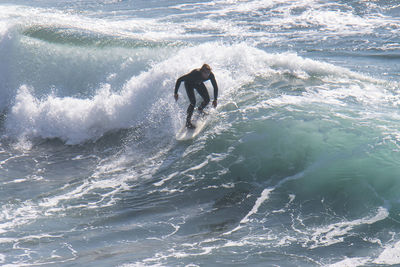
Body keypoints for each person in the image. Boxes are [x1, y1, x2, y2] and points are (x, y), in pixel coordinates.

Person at [174, 64, 218, 129]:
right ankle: (188, 122)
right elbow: (179, 79)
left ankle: (200, 109)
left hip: (198, 83)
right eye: (205, 73)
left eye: (208, 73)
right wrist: (176, 93)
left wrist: (215, 99)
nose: (207, 75)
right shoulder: (194, 74)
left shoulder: (210, 75)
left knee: (207, 100)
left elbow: (215, 86)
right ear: (201, 71)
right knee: (193, 102)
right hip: (189, 84)